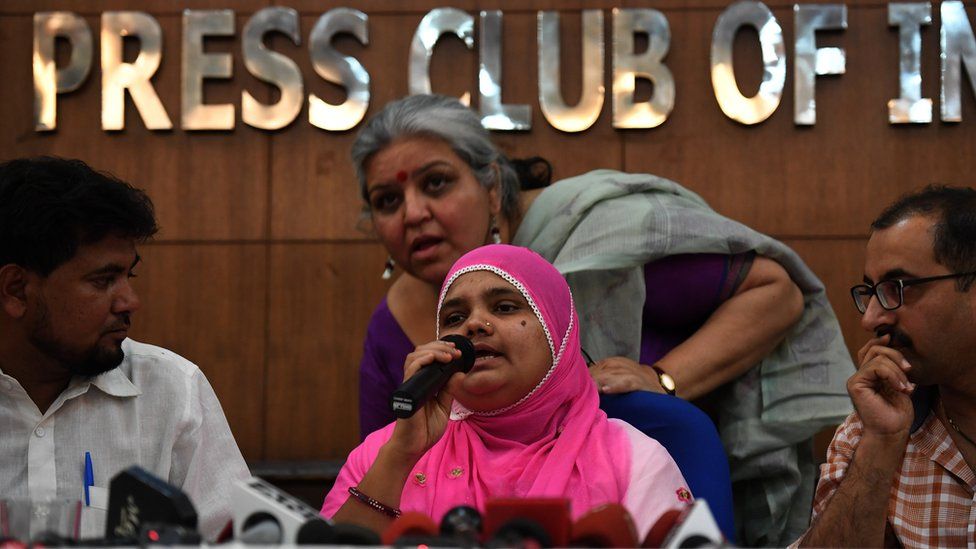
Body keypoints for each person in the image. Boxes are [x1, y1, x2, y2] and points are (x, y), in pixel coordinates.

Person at [351, 94, 854, 545]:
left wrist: (664, 377)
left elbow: (776, 291)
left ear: (492, 187)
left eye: (436, 183)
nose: (413, 213)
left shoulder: (595, 242)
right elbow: (386, 482)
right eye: (387, 201)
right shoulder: (389, 328)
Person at [322, 244, 692, 540]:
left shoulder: (633, 460)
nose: (475, 325)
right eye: (454, 318)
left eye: (504, 307)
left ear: (557, 333)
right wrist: (401, 455)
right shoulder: (381, 454)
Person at [0, 157, 250, 540]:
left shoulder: (172, 389)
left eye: (127, 275)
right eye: (104, 280)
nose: (129, 301)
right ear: (17, 290)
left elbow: (234, 541)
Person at [795, 186, 976, 548]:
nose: (872, 319)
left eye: (899, 287)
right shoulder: (869, 428)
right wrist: (881, 442)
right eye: (871, 292)